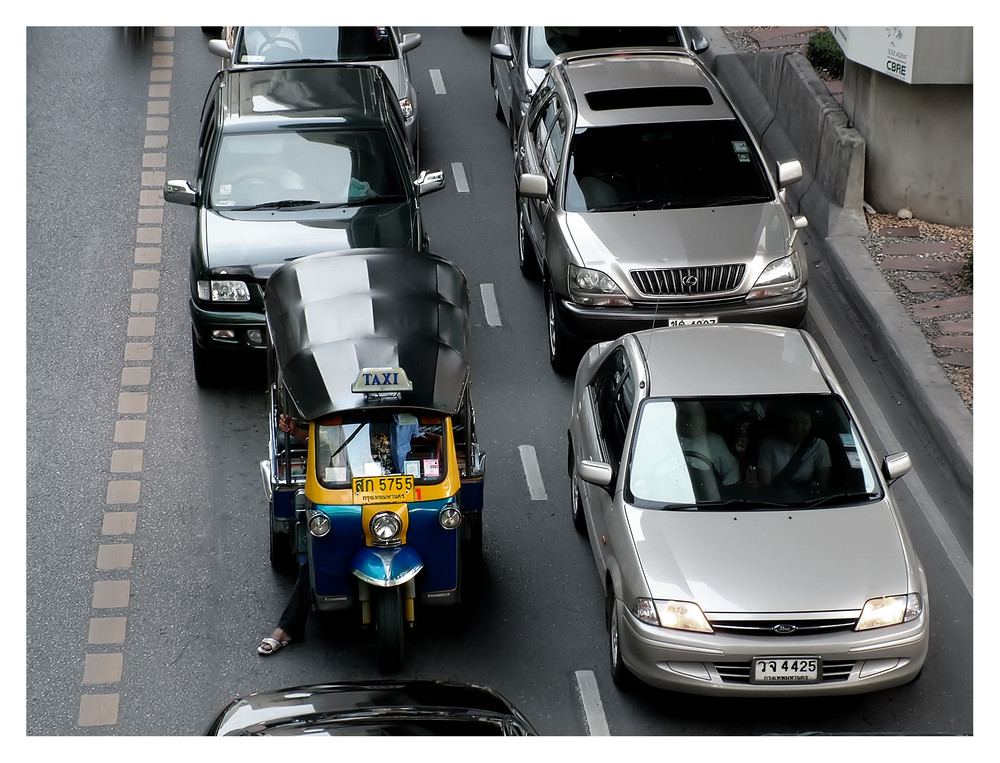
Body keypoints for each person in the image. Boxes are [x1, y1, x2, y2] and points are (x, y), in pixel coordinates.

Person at [757, 406, 832, 489]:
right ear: (785, 422)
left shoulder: (818, 445)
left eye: (804, 423)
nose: (799, 427)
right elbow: (765, 486)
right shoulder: (769, 444)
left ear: (811, 423)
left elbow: (824, 485)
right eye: (793, 422)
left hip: (810, 499)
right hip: (776, 498)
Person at [675, 401, 740, 486]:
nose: (690, 422)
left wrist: (725, 491)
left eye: (696, 416)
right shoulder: (669, 440)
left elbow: (732, 470)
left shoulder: (715, 441)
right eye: (685, 416)